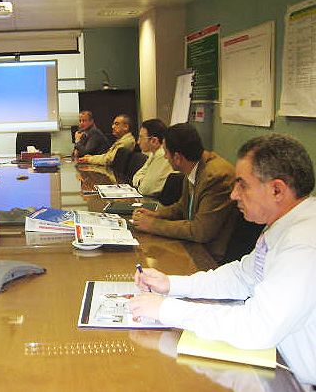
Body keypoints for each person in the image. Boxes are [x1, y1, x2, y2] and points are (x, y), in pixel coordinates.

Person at [129, 134, 316, 386]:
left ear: (277, 190)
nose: (234, 195)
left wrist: (167, 310)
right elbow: (242, 276)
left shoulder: (303, 244)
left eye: (242, 185)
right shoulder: (285, 225)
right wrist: (172, 285)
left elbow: (256, 327)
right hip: (280, 362)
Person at [132, 123, 237, 261]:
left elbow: (200, 231)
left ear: (177, 157)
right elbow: (182, 207)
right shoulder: (194, 166)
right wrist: (157, 214)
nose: (165, 157)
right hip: (194, 244)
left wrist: (153, 224)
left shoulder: (215, 177)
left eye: (166, 152)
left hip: (209, 255)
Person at [132, 118, 174, 196]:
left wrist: (142, 182)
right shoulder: (153, 153)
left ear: (154, 141)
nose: (138, 142)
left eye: (141, 137)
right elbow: (136, 176)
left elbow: (145, 189)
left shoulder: (162, 155)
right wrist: (141, 181)